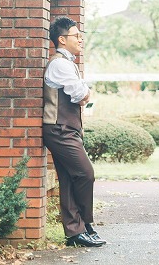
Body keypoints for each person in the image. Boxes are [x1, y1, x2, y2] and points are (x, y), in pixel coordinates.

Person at [43, 16, 106, 248]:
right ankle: (85, 224)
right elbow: (80, 95)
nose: (80, 39)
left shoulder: (67, 63)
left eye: (81, 35)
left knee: (70, 179)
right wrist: (84, 92)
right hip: (59, 129)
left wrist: (82, 92)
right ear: (62, 39)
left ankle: (75, 233)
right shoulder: (59, 63)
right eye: (75, 35)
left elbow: (80, 94)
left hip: (65, 128)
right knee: (85, 173)